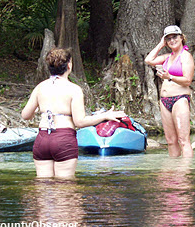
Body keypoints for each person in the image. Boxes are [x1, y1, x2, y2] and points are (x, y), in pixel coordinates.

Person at [21, 48, 126, 178]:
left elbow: (25, 115)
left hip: (42, 139)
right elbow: (79, 121)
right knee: (65, 187)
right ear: (69, 66)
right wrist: (104, 115)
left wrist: (37, 110)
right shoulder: (74, 89)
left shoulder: (40, 87)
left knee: (43, 185)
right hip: (63, 139)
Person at [145, 25, 195, 157]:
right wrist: (161, 44)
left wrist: (170, 77)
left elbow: (187, 80)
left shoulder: (186, 56)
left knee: (183, 140)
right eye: (168, 39)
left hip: (180, 99)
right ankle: (173, 171)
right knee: (170, 141)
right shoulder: (167, 56)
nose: (172, 40)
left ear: (181, 37)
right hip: (165, 101)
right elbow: (148, 60)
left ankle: (186, 172)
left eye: (174, 37)